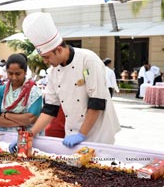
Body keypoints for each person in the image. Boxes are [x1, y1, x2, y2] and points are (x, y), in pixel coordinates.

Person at [11, 12, 120, 150]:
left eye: (47, 57)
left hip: (98, 133)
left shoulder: (88, 60)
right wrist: (29, 134)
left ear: (59, 49)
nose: (45, 61)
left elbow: (96, 103)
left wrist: (81, 134)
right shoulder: (52, 72)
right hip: (72, 134)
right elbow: (50, 109)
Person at [0, 53, 43, 133]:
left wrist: (6, 115)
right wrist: (22, 120)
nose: (14, 77)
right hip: (3, 137)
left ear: (25, 72)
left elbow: (31, 118)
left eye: (18, 74)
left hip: (27, 138)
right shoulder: (1, 91)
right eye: (10, 73)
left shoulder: (35, 92)